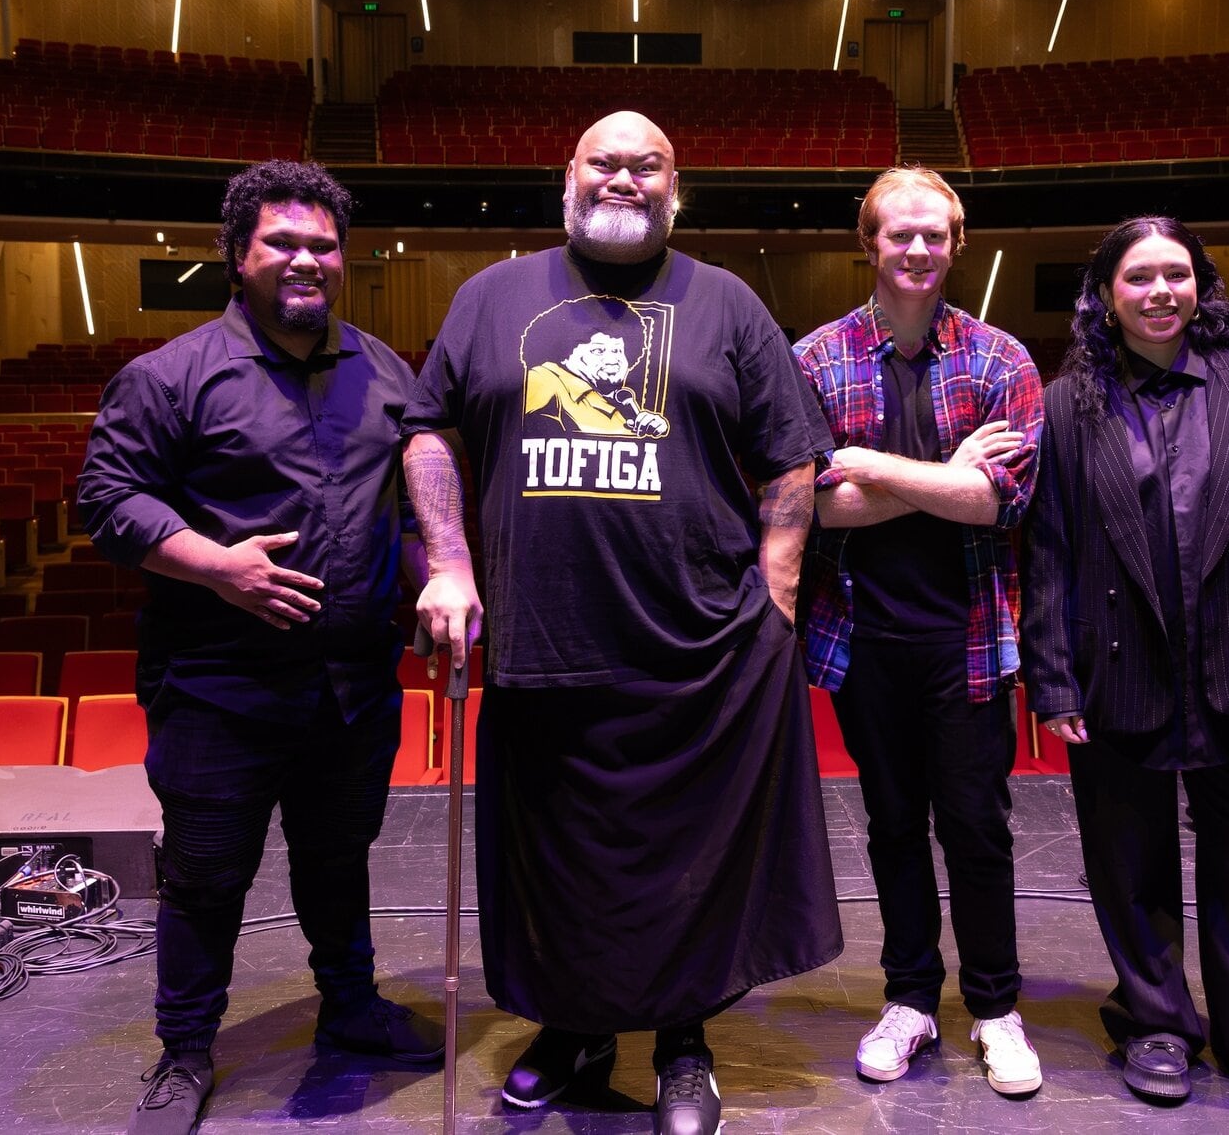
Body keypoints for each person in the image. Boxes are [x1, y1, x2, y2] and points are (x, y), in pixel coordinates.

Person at [403, 111, 843, 1135]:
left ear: (673, 187)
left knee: (686, 859)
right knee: (558, 863)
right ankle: (575, 1029)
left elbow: (790, 456)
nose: (622, 178)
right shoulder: (490, 296)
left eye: (645, 165)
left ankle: (684, 1043)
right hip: (540, 640)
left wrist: (776, 586)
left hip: (694, 647)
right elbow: (426, 427)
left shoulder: (726, 303)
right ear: (567, 178)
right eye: (603, 162)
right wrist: (449, 558)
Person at [80, 161, 441, 1135]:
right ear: (236, 255)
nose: (305, 260)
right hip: (215, 686)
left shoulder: (383, 371)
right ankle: (184, 1049)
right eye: (282, 242)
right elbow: (108, 503)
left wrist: (432, 578)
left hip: (352, 685)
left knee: (339, 858)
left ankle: (350, 1009)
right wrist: (216, 566)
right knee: (204, 875)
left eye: (322, 245)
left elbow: (406, 506)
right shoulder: (170, 375)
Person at [1017, 216, 1229, 1106]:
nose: (1161, 291)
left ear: (1202, 286)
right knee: (1129, 861)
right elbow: (1049, 550)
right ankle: (1158, 1023)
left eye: (1178, 273)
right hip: (1117, 665)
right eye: (1139, 277)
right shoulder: (1066, 401)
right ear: (1103, 295)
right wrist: (1051, 676)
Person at [793, 167, 1045, 1097]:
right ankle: (908, 998)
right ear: (868, 242)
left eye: (934, 234)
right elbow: (816, 508)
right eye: (899, 234)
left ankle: (995, 1008)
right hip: (864, 642)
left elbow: (995, 504)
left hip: (971, 639)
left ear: (957, 242)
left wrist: (863, 465)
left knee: (977, 826)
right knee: (894, 826)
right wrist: (937, 477)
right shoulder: (815, 359)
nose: (917, 250)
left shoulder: (1001, 360)